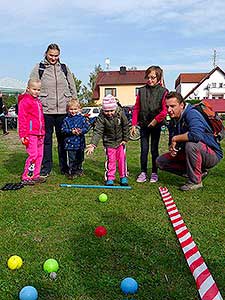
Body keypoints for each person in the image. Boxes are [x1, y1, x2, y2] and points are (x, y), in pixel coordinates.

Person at [156, 91, 223, 191]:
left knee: (191, 145)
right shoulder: (173, 120)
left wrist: (175, 139)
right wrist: (173, 149)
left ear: (182, 105)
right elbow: (172, 141)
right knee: (160, 161)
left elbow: (196, 135)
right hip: (191, 153)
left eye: (173, 106)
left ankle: (195, 182)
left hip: (212, 154)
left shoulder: (192, 113)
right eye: (167, 107)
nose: (169, 110)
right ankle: (198, 173)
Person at [30, 43, 77, 178]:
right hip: (46, 110)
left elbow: (72, 85)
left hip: (63, 109)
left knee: (63, 140)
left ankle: (64, 166)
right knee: (46, 140)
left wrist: (74, 101)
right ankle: (46, 167)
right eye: (51, 55)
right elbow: (32, 85)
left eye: (56, 55)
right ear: (46, 53)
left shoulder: (64, 68)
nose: (53, 58)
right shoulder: (39, 68)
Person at [130, 65, 168, 183]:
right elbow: (136, 108)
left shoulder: (164, 92)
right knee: (144, 149)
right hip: (144, 124)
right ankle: (143, 172)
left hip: (156, 125)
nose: (150, 80)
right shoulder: (141, 91)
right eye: (148, 77)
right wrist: (134, 124)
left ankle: (154, 172)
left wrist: (155, 120)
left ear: (158, 78)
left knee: (154, 149)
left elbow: (164, 110)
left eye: (153, 78)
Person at [86, 94, 130, 186]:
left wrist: (125, 139)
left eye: (111, 110)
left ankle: (123, 177)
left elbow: (125, 126)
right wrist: (93, 144)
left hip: (120, 141)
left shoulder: (120, 113)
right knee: (111, 160)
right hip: (109, 142)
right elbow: (98, 130)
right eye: (107, 111)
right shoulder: (101, 117)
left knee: (122, 159)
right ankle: (110, 178)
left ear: (115, 108)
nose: (109, 113)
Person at [18, 79, 46, 185]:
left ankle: (35, 175)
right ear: (28, 89)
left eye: (38, 90)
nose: (36, 92)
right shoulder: (25, 101)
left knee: (39, 155)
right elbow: (22, 119)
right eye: (34, 89)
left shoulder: (38, 101)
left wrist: (43, 131)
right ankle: (26, 176)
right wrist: (23, 135)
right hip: (30, 134)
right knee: (33, 155)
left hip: (40, 134)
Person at [61, 99, 90, 179]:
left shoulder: (82, 118)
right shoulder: (66, 119)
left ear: (79, 109)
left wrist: (81, 131)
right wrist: (71, 131)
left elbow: (86, 128)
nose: (73, 111)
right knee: (72, 159)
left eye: (75, 109)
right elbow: (63, 130)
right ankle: (72, 172)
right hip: (70, 144)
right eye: (71, 109)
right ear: (68, 110)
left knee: (80, 158)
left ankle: (79, 170)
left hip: (80, 143)